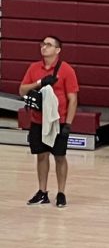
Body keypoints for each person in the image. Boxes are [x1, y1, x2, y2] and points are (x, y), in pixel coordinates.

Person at [18, 35, 78, 207]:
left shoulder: (66, 70)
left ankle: (61, 192)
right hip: (38, 120)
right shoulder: (33, 68)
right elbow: (22, 91)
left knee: (60, 156)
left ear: (57, 50)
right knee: (41, 156)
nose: (44, 47)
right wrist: (39, 82)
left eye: (49, 45)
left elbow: (72, 99)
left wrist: (68, 124)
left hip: (58, 121)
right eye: (43, 44)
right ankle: (42, 192)